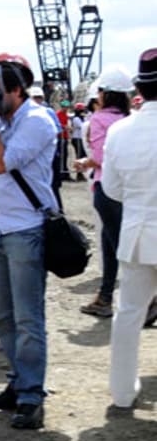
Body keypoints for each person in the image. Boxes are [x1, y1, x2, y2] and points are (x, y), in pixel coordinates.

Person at [0, 53, 58, 430]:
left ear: (17, 91)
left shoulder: (36, 120)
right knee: (3, 315)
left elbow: (1, 164)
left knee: (27, 316)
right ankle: (17, 382)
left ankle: (32, 395)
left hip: (27, 229)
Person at [102, 48, 157, 407]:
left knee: (128, 314)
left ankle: (122, 394)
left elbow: (112, 189)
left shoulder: (120, 131)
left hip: (137, 233)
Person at [73, 65, 133, 318]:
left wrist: (84, 162)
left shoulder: (98, 119)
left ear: (106, 94)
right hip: (127, 188)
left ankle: (148, 297)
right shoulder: (129, 120)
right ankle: (105, 297)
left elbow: (99, 157)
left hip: (105, 188)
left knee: (119, 246)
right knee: (111, 244)